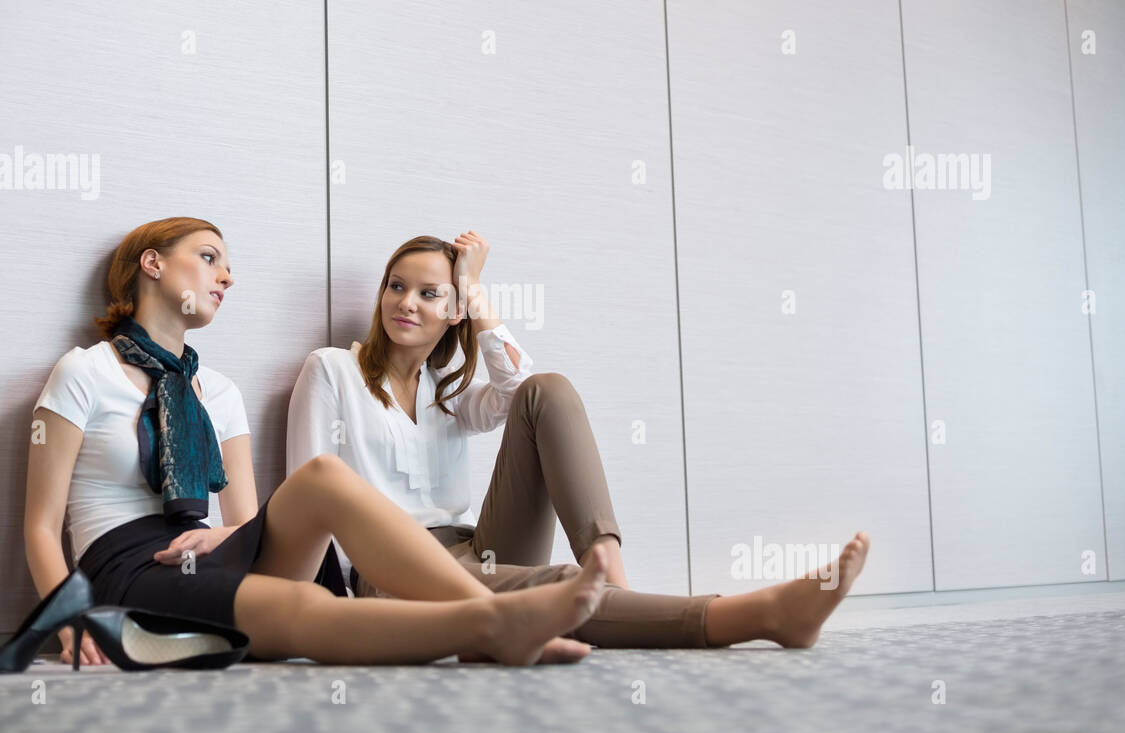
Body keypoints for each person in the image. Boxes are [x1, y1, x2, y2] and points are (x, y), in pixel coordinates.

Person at [27, 216, 615, 667]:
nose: (227, 275)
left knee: (323, 479)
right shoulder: (85, 372)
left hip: (208, 550)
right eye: (209, 259)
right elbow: (40, 526)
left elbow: (248, 521)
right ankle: (489, 627)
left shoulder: (220, 393)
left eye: (227, 265)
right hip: (127, 562)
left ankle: (490, 617)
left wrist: (232, 538)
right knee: (302, 607)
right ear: (152, 264)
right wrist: (67, 624)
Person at [287, 231, 871, 648]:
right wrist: (331, 620)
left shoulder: (448, 390)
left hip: (475, 546)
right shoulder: (332, 370)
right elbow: (307, 500)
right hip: (389, 570)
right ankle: (759, 614)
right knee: (564, 587)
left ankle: (611, 571)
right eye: (396, 286)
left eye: (430, 292)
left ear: (454, 311)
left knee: (550, 388)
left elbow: (521, 389)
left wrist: (479, 297)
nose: (406, 302)